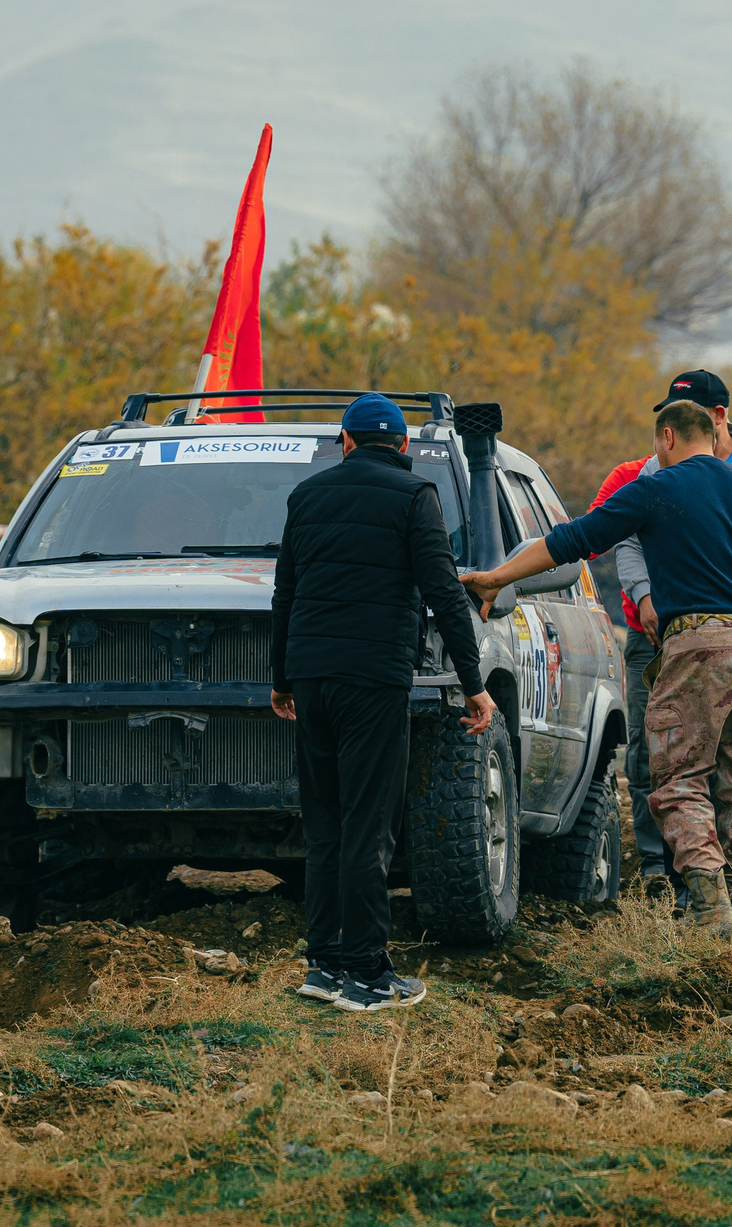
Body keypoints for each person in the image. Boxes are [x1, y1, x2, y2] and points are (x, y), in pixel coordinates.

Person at [464, 400, 732, 934]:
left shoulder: (656, 486)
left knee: (679, 777)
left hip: (699, 645)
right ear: (713, 433)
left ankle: (711, 907)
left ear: (667, 437)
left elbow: (571, 543)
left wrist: (498, 577)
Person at [269, 394, 492, 1012]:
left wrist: (281, 678)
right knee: (369, 825)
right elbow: (444, 595)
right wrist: (473, 684)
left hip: (310, 679)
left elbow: (284, 595)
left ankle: (323, 964)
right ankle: (366, 976)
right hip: (372, 679)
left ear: (344, 441)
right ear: (401, 447)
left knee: (327, 827)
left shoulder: (306, 498)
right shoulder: (414, 497)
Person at [599, 369, 732, 902]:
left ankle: (722, 897)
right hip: (662, 633)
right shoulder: (651, 473)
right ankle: (663, 872)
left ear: (717, 417)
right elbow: (624, 536)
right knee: (656, 757)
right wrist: (645, 595)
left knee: (723, 769)